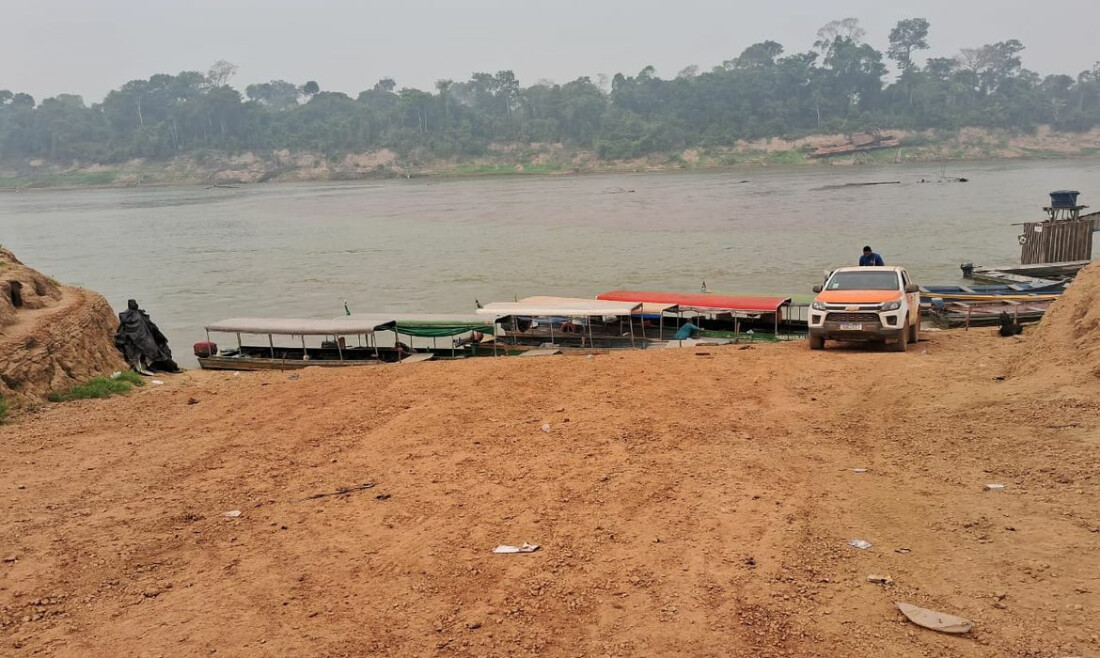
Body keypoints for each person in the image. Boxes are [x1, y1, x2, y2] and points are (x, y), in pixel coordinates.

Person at [114, 299, 179, 374]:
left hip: (135, 340)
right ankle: (143, 368)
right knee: (150, 353)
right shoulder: (138, 316)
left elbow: (122, 330)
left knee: (142, 354)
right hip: (141, 340)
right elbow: (150, 327)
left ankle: (142, 367)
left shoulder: (126, 316)